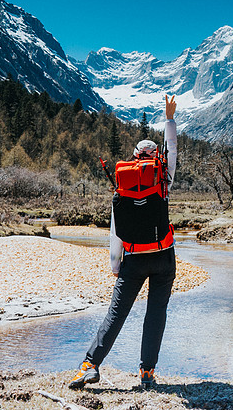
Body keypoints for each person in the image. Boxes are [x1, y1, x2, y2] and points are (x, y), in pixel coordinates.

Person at [69, 94, 178, 390]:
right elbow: (173, 149)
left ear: (133, 158)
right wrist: (169, 119)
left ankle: (90, 365)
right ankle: (146, 373)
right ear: (156, 158)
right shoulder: (163, 178)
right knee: (156, 313)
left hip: (133, 258)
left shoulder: (122, 184)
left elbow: (117, 228)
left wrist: (115, 264)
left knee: (116, 314)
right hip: (163, 256)